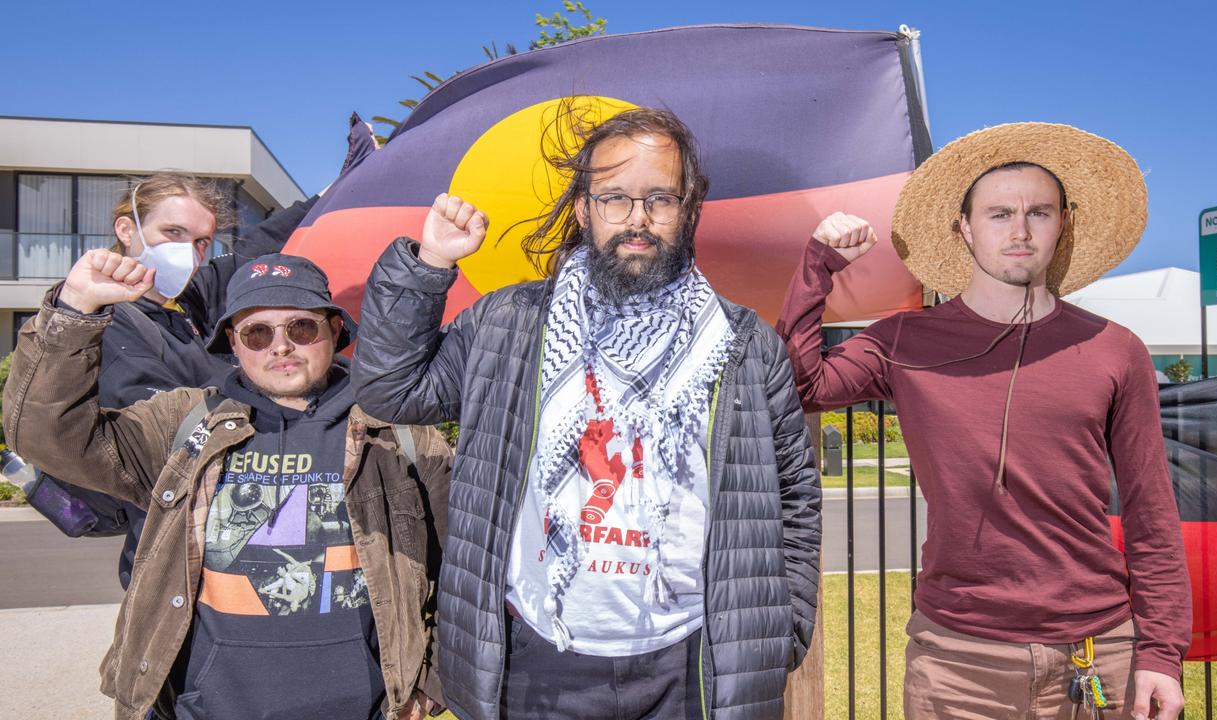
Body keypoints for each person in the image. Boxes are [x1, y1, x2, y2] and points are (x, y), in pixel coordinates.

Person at [350, 105, 821, 720]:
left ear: (689, 208)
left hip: (691, 663)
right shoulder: (509, 322)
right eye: (614, 199)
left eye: (660, 198)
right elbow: (392, 389)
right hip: (538, 661)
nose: (638, 220)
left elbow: (795, 497)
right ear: (583, 209)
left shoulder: (743, 344)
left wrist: (779, 629)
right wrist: (430, 264)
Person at [776, 123, 1191, 720]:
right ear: (964, 228)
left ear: (1064, 223)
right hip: (956, 661)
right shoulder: (902, 340)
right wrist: (818, 266)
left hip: (1098, 654)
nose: (1019, 231)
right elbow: (799, 384)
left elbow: (1152, 514)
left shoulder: (1115, 349)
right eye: (998, 214)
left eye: (1038, 213)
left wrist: (1161, 653)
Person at [3, 249, 449, 720]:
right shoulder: (182, 423)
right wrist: (75, 308)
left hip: (367, 709)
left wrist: (436, 677)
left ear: (333, 331)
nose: (281, 347)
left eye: (301, 327)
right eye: (258, 333)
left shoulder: (400, 433)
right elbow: (46, 435)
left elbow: (468, 568)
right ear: (234, 343)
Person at [21, 114, 377, 589]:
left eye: (202, 241)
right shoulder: (106, 325)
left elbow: (259, 246)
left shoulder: (181, 303)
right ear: (127, 230)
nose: (190, 253)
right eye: (173, 234)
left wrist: (339, 187)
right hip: (177, 555)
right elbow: (172, 434)